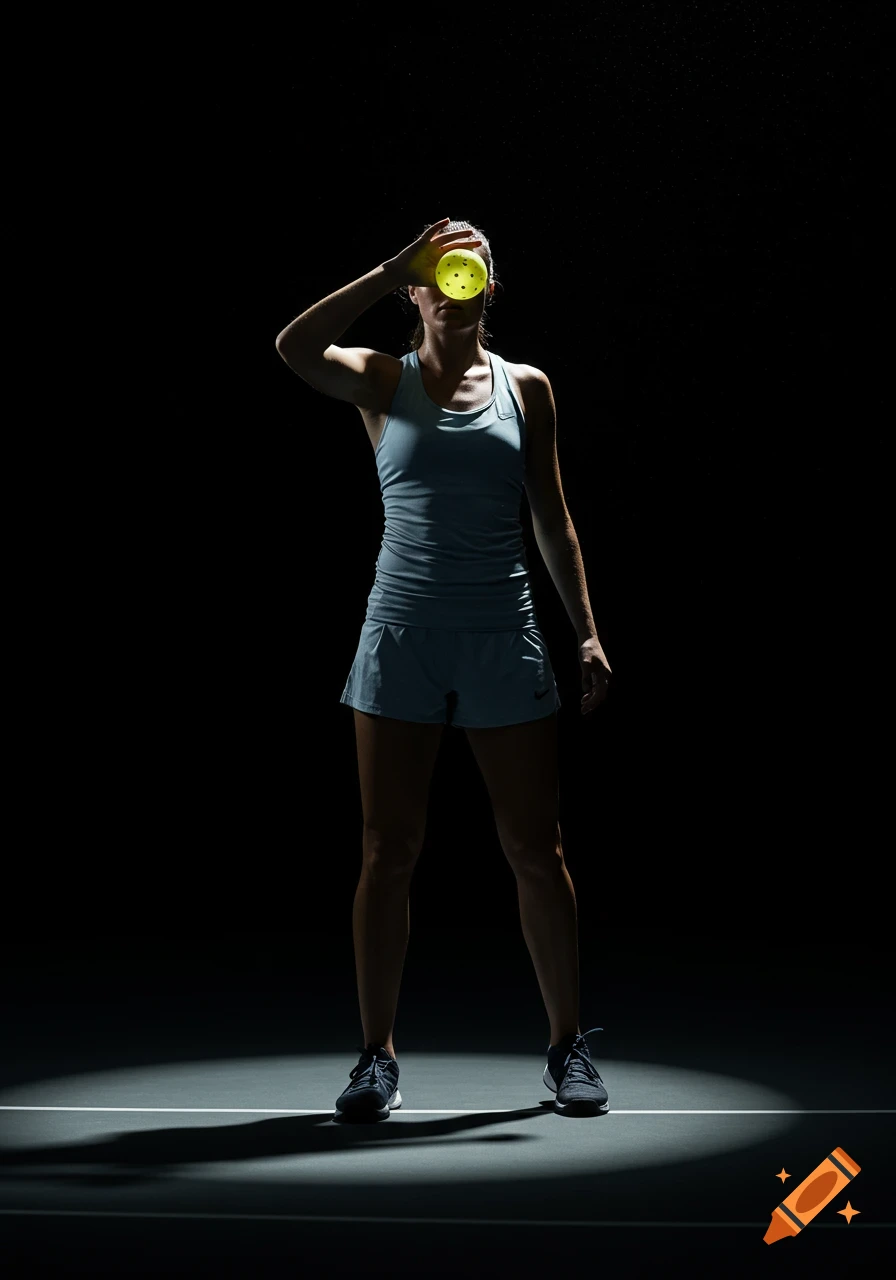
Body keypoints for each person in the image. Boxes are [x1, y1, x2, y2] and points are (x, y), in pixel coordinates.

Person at [275, 218, 612, 1121]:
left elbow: (553, 515)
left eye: (471, 269)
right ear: (419, 292)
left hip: (503, 634)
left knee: (536, 852)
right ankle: (375, 1057)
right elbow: (292, 345)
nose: (453, 282)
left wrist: (584, 630)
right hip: (402, 637)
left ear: (488, 290)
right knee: (388, 850)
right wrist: (389, 265)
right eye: (435, 273)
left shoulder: (527, 388)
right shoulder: (380, 382)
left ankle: (567, 1046)